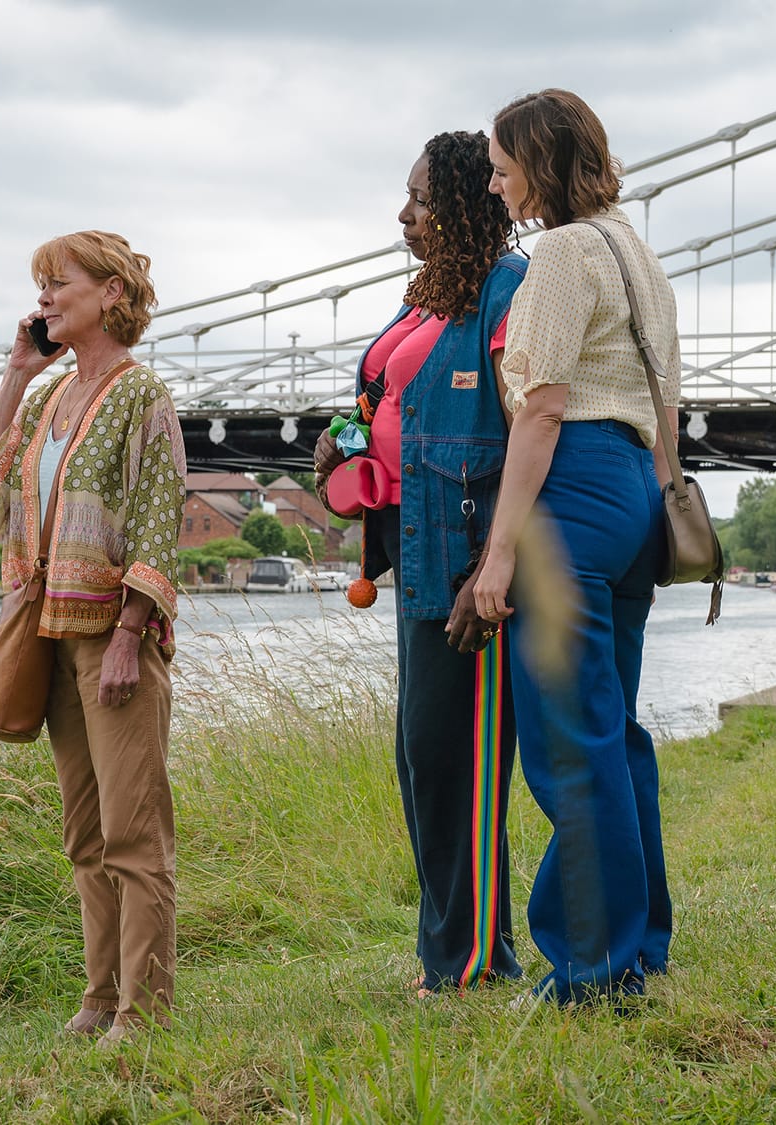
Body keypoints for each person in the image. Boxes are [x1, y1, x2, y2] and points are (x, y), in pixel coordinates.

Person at [0, 230, 186, 1044]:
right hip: (49, 634)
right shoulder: (52, 399)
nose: (45, 297)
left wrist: (130, 633)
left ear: (112, 294)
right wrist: (18, 372)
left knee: (134, 829)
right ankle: (97, 997)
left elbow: (157, 524)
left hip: (111, 640)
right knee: (86, 832)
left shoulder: (141, 394)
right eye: (41, 286)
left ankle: (144, 1009)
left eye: (61, 283)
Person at [473, 88, 680, 1005]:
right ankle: (641, 945)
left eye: (503, 164)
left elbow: (544, 406)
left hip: (573, 491)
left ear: (540, 165)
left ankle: (592, 969)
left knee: (568, 738)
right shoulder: (640, 252)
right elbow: (667, 405)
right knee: (616, 728)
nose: (495, 180)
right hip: (636, 489)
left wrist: (501, 550)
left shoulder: (558, 252)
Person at [313, 130, 527, 998]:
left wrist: (495, 564)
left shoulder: (509, 292)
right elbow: (382, 403)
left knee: (458, 760)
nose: (405, 214)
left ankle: (472, 961)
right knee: (420, 756)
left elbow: (532, 430)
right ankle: (454, 949)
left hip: (471, 566)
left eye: (424, 199)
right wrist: (344, 442)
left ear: (469, 203)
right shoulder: (425, 299)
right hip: (413, 555)